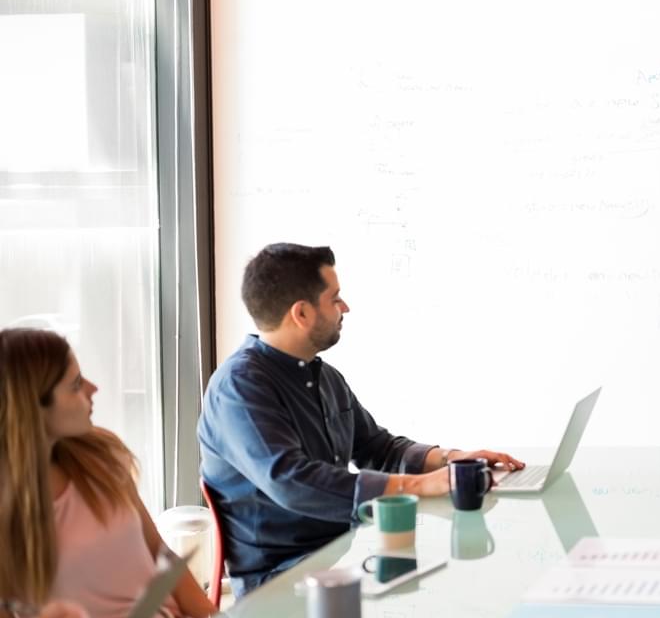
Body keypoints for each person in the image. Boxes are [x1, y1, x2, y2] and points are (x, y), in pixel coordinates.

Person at [198, 244, 525, 597]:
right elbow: (292, 481)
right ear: (302, 313)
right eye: (335, 298)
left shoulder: (325, 377)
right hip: (281, 582)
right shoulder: (240, 387)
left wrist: (450, 459)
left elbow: (376, 447)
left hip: (344, 551)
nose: (345, 308)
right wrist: (418, 485)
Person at [0, 328, 216, 618]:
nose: (93, 388)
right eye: (75, 385)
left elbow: (160, 552)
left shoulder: (100, 455)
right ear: (32, 409)